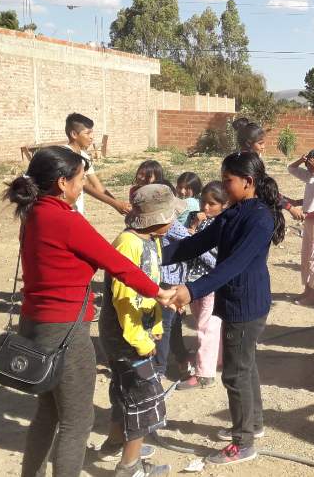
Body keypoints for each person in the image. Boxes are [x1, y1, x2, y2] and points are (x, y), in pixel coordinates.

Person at [4, 146, 173, 477]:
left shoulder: (34, 212)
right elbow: (117, 264)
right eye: (81, 179)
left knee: (48, 413)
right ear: (62, 182)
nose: (84, 186)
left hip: (33, 324)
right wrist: (159, 292)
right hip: (65, 331)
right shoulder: (65, 219)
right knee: (77, 421)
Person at [159, 151, 287, 466]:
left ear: (248, 181)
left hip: (246, 304)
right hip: (236, 300)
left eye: (228, 180)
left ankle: (243, 443)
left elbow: (233, 265)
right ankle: (253, 424)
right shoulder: (234, 212)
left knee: (235, 373)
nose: (223, 185)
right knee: (245, 365)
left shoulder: (259, 219)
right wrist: (153, 253)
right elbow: (195, 244)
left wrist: (191, 290)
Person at [97, 184, 186, 477]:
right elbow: (124, 299)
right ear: (156, 219)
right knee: (142, 396)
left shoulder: (152, 240)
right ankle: (129, 466)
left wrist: (156, 323)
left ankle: (114, 442)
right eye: (171, 216)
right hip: (125, 335)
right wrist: (140, 340)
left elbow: (151, 288)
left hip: (138, 331)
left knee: (124, 388)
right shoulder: (128, 244)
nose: (174, 220)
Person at [178, 181, 228, 391]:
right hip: (194, 283)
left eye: (212, 204)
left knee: (206, 327)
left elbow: (217, 259)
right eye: (203, 202)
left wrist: (195, 244)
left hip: (209, 283)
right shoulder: (202, 222)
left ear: (224, 205)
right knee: (206, 324)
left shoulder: (221, 226)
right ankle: (217, 359)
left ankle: (204, 373)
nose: (205, 207)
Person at [153, 180, 191, 379]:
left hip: (169, 283)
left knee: (166, 325)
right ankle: (178, 359)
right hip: (166, 282)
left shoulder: (172, 226)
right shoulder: (167, 225)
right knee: (170, 325)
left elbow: (194, 244)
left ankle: (161, 367)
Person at [64, 112, 132, 216]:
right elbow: (84, 185)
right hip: (64, 210)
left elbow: (97, 185)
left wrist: (117, 204)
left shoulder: (85, 157)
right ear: (74, 134)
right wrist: (115, 203)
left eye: (92, 133)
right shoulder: (64, 155)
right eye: (87, 133)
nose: (92, 137)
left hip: (77, 212)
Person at [287, 149, 314, 306]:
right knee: (306, 255)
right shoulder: (311, 177)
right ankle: (308, 289)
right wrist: (301, 160)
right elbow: (291, 169)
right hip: (308, 220)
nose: (311, 167)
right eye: (309, 164)